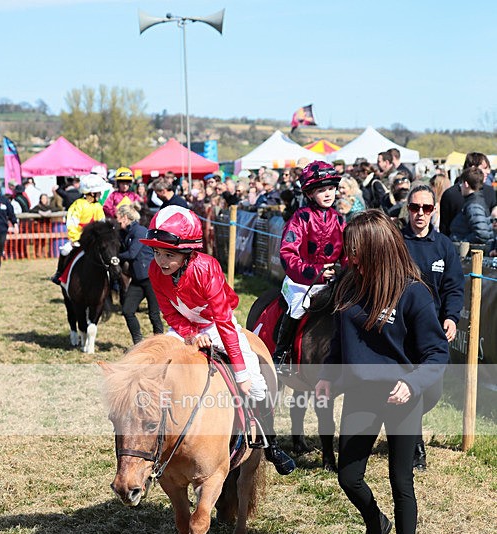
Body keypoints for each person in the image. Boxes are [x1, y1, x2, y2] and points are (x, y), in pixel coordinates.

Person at [315, 210, 449, 534]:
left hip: (404, 396)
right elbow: (340, 343)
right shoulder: (349, 285)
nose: (349, 257)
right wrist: (328, 375)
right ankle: (376, 524)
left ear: (377, 248)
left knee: (400, 479)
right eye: (348, 250)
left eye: (356, 250)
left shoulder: (413, 293)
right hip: (361, 394)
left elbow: (438, 353)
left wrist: (413, 383)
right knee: (348, 476)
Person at [140, 205, 296, 475]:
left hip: (216, 324)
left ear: (188, 252)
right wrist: (190, 335)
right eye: (156, 253)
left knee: (257, 386)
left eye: (168, 254)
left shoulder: (207, 268)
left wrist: (242, 373)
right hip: (184, 328)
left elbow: (224, 322)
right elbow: (168, 311)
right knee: (151, 365)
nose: (161, 261)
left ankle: (271, 443)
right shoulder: (155, 271)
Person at [402, 183, 465, 470]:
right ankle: (414, 446)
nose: (420, 214)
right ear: (407, 208)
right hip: (401, 331)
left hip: (434, 330)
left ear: (434, 210)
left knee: (432, 391)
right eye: (415, 207)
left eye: (426, 208)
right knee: (410, 385)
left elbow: (454, 287)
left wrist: (451, 317)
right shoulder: (396, 242)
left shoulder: (444, 247)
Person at [273, 160, 346, 371]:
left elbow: (348, 254)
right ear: (309, 193)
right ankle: (282, 354)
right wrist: (317, 272)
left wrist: (346, 271)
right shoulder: (299, 219)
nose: (328, 194)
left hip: (330, 282)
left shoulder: (340, 221)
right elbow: (287, 253)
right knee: (298, 306)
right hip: (300, 282)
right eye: (322, 190)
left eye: (331, 188)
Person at [116, 204, 163, 344]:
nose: (117, 221)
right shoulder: (127, 232)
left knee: (154, 314)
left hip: (150, 279)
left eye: (118, 217)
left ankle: (160, 343)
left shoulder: (140, 231)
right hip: (137, 279)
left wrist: (115, 257)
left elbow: (132, 253)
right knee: (127, 310)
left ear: (125, 217)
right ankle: (138, 341)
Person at [50, 174, 106, 284]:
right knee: (65, 251)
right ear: (92, 193)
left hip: (94, 240)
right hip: (79, 238)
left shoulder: (98, 206)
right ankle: (59, 273)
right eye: (98, 192)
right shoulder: (78, 204)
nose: (100, 194)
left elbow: (102, 223)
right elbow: (71, 223)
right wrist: (76, 238)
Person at [440, 152, 496, 237]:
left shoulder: (490, 192)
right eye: (484, 168)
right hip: (456, 247)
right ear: (473, 169)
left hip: (485, 247)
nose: (488, 172)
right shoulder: (450, 194)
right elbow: (444, 228)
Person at [449, 167, 493, 246]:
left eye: (461, 184)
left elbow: (482, 233)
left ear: (466, 184)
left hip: (470, 254)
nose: (460, 187)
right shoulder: (474, 202)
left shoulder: (473, 206)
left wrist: (463, 242)